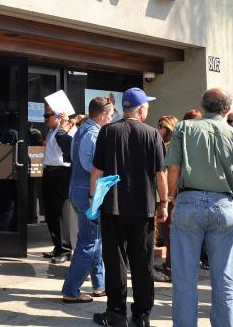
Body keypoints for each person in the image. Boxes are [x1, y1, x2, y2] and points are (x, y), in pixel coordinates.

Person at [167, 88, 233, 327]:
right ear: (226, 109)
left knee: (184, 276)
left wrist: (172, 197)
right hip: (223, 203)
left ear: (202, 105)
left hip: (188, 199)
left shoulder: (184, 128)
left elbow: (173, 168)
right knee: (225, 277)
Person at [89, 88, 167, 327]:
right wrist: (164, 203)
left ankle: (116, 312)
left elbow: (97, 172)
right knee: (143, 262)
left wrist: (94, 201)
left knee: (115, 261)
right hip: (143, 208)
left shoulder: (107, 132)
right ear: (141, 108)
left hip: (113, 207)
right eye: (147, 106)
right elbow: (160, 174)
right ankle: (143, 314)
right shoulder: (153, 134)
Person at [61, 96, 115, 303]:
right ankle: (71, 290)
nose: (111, 119)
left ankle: (100, 284)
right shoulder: (93, 134)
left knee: (95, 238)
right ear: (102, 114)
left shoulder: (81, 130)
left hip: (78, 190)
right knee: (89, 241)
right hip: (87, 193)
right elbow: (90, 166)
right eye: (110, 115)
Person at [41, 106, 74, 263]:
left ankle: (66, 249)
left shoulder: (68, 130)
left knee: (62, 212)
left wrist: (64, 124)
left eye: (48, 115)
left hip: (62, 173)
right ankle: (57, 246)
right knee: (50, 212)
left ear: (58, 115)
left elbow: (69, 147)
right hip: (49, 172)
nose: (45, 118)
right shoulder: (50, 132)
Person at [154, 115, 178, 282]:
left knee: (169, 233)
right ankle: (168, 266)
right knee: (165, 231)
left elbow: (168, 173)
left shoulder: (171, 147)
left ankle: (170, 269)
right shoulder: (161, 145)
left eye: (162, 125)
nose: (159, 128)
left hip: (169, 195)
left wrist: (170, 197)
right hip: (162, 194)